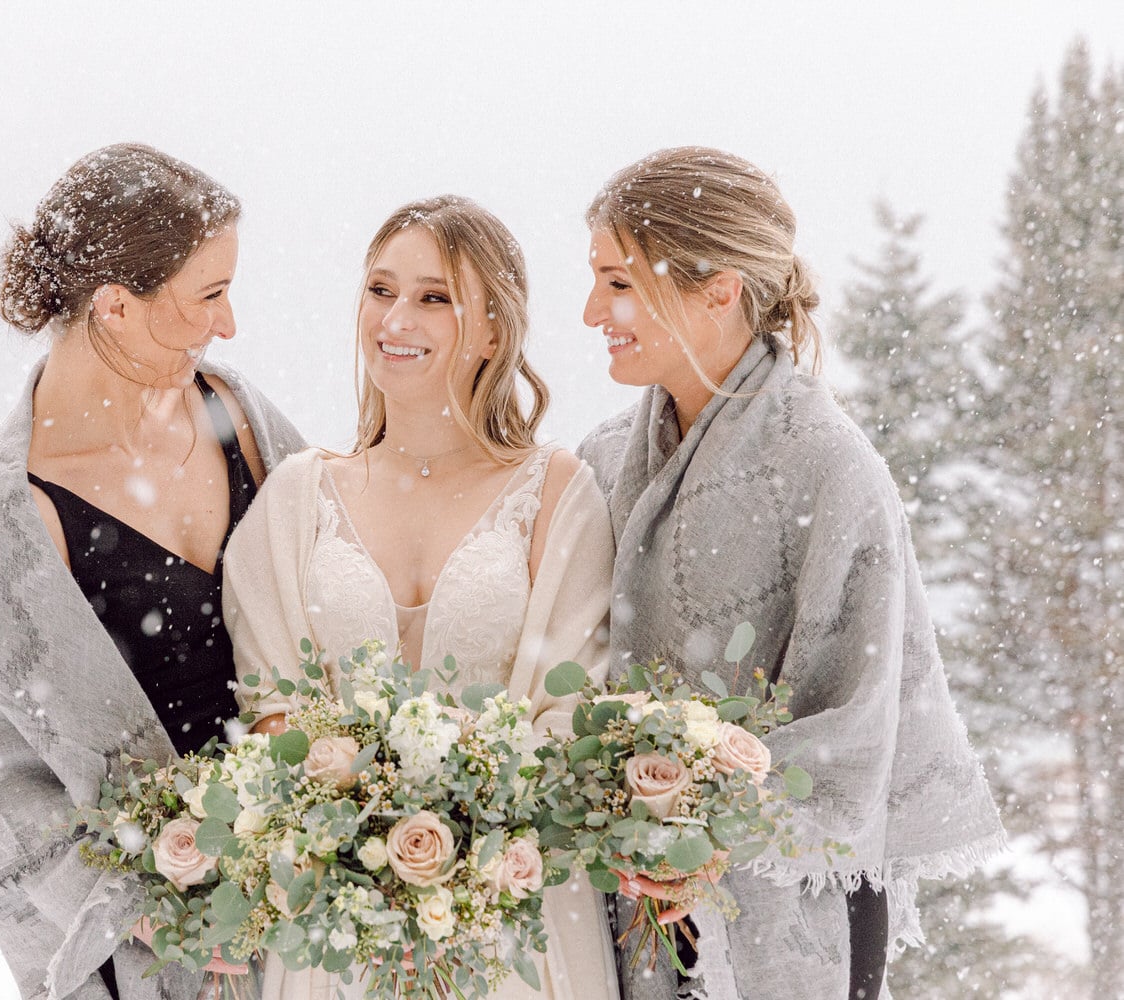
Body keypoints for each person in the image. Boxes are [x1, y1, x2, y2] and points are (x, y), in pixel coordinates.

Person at [575, 147, 1005, 1000]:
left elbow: (858, 729)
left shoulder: (829, 468)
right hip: (629, 909)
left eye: (618, 282)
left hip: (802, 907)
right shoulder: (601, 457)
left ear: (719, 289)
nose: (593, 310)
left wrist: (707, 818)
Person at [0, 143, 304, 1000]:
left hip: (322, 901)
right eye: (210, 295)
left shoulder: (238, 413)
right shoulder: (8, 524)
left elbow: (345, 577)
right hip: (187, 953)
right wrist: (150, 905)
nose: (230, 324)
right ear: (115, 306)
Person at [223, 196, 621, 1000]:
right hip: (336, 928)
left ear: (492, 332)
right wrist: (361, 846)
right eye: (380, 289)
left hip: (515, 922)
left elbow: (569, 714)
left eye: (434, 297)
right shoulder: (298, 497)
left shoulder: (558, 493)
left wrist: (457, 858)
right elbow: (272, 713)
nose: (395, 317)